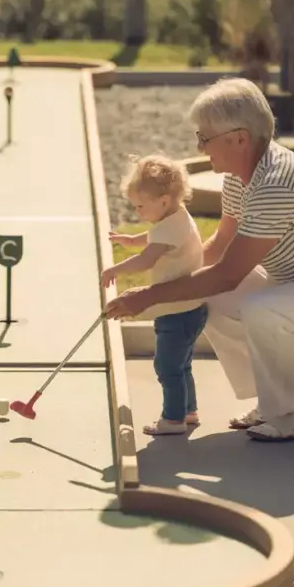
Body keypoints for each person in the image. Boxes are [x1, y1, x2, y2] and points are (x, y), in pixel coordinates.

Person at [104, 77, 294, 442]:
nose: (200, 146)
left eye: (204, 138)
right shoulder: (239, 178)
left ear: (239, 138)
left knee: (263, 309)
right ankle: (274, 402)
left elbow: (227, 273)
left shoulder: (275, 182)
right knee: (208, 298)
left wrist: (147, 297)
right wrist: (159, 286)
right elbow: (222, 244)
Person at [101, 155, 208, 436]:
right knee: (182, 364)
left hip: (177, 310)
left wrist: (115, 268)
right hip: (190, 306)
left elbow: (147, 260)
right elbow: (154, 237)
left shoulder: (170, 226)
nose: (137, 212)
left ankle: (172, 420)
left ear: (163, 200)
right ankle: (188, 411)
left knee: (167, 366)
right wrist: (130, 240)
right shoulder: (176, 216)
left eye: (140, 206)